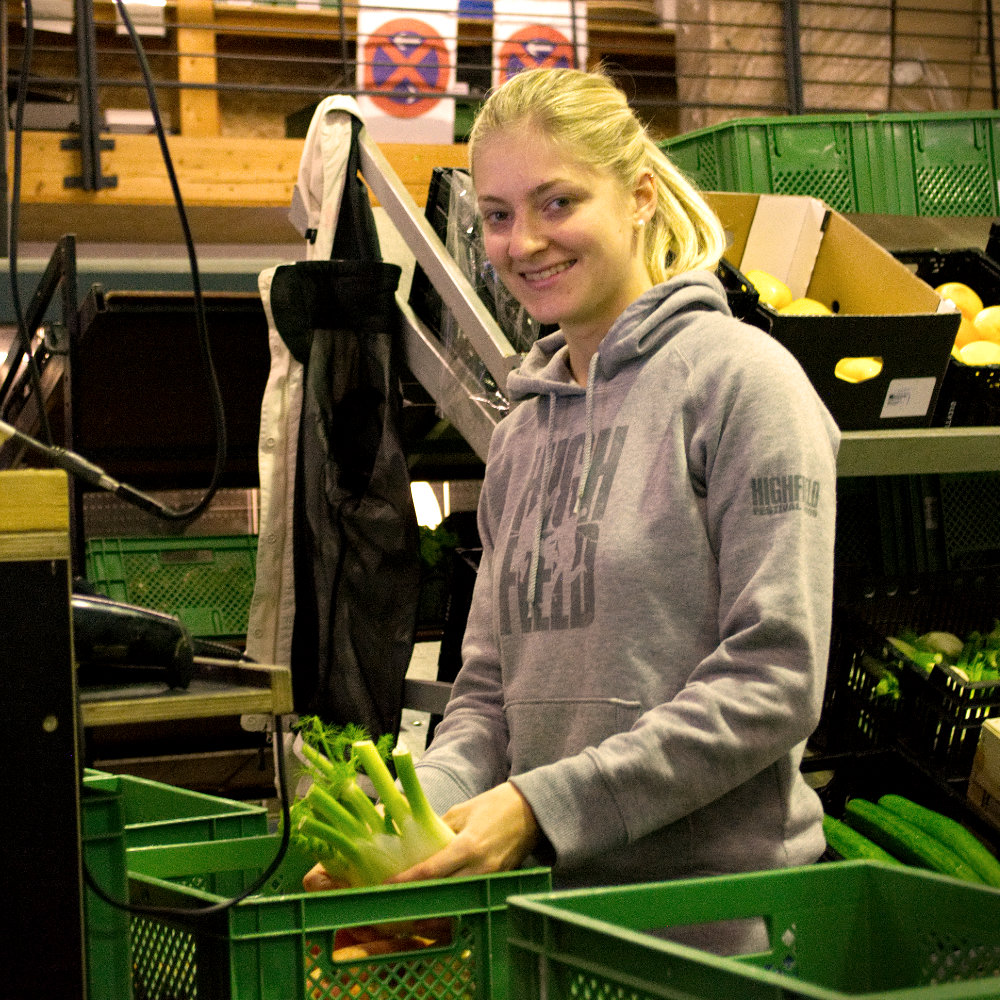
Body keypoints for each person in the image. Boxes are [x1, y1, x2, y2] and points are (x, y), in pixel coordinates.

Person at [306, 65, 840, 949]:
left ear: (637, 197)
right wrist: (411, 837)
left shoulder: (745, 385)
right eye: (501, 216)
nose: (524, 243)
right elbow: (487, 700)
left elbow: (774, 679)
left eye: (558, 203)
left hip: (723, 934)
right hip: (549, 927)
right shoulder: (522, 438)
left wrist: (536, 809)